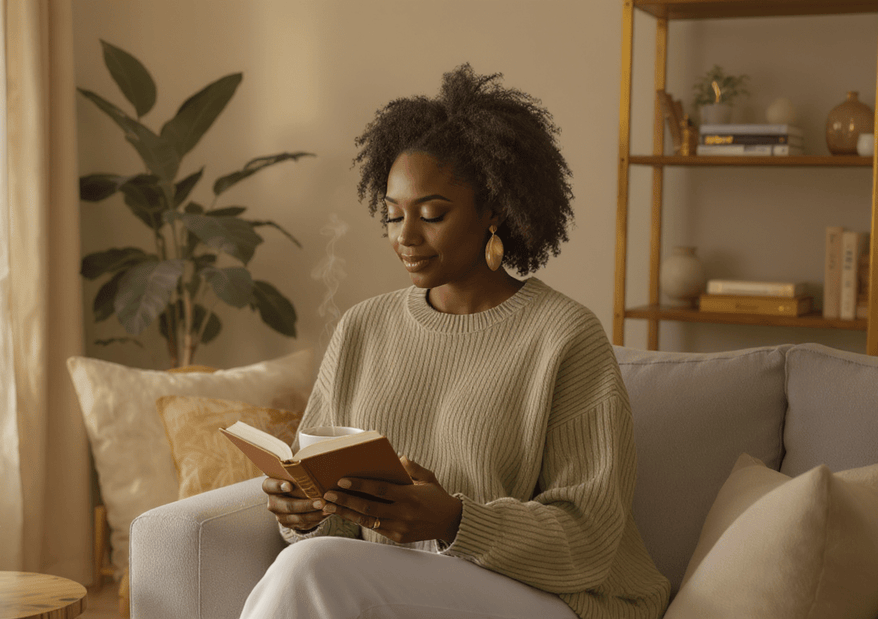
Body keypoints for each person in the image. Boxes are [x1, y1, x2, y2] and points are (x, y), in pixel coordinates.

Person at [240, 64, 670, 619]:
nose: (406, 236)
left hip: (551, 599)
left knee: (308, 570)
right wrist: (306, 513)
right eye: (393, 216)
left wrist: (454, 520)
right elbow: (337, 529)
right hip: (403, 590)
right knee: (309, 559)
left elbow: (589, 539)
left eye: (432, 214)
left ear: (494, 209)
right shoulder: (362, 328)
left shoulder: (564, 336)